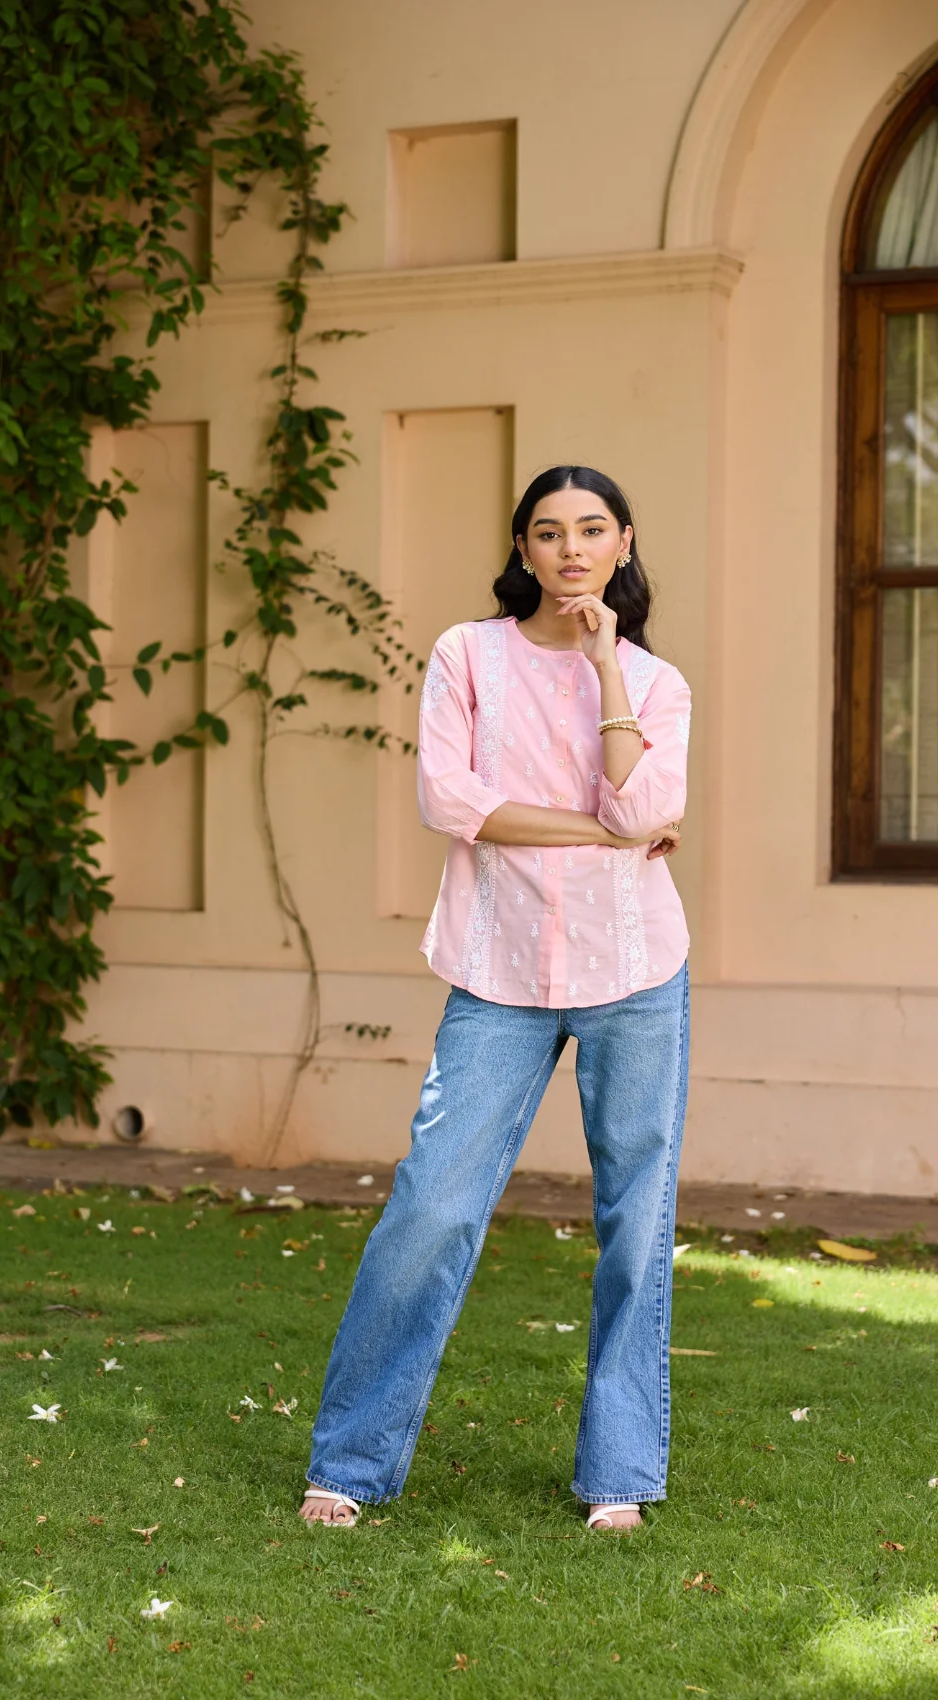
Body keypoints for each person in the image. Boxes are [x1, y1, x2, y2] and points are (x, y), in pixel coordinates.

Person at [299, 465, 690, 1534]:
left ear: (623, 543)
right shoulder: (467, 655)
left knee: (635, 1223)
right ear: (522, 548)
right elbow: (452, 798)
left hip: (635, 967)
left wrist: (608, 664)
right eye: (549, 532)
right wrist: (603, 830)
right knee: (431, 1204)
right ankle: (352, 1458)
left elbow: (651, 797)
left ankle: (619, 1472)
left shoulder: (655, 680)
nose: (571, 550)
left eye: (593, 530)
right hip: (498, 970)